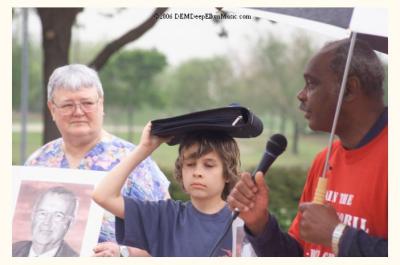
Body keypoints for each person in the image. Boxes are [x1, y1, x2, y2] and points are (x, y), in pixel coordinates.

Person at [227, 38, 388, 257]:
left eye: (311, 84)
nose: (301, 95)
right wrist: (260, 224)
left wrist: (337, 235)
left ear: (349, 89)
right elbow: (299, 253)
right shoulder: (324, 160)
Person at [25, 64, 170, 257]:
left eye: (87, 103)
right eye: (68, 105)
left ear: (101, 104)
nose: (78, 112)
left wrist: (123, 253)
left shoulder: (135, 162)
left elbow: (169, 234)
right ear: (52, 109)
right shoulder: (37, 162)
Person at [92, 123, 241, 256]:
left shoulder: (241, 223)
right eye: (190, 164)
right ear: (181, 170)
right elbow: (103, 196)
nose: (197, 172)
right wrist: (145, 149)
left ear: (227, 173)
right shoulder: (165, 217)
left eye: (208, 165)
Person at [13, 186, 79, 257]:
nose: (46, 222)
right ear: (33, 216)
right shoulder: (12, 250)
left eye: (58, 216)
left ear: (70, 223)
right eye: (43, 213)